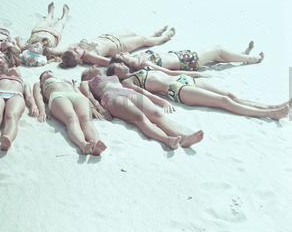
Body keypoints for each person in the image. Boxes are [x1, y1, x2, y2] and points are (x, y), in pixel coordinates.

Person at [106, 62, 290, 120]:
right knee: (224, 102)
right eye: (118, 65)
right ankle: (269, 114)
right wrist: (162, 102)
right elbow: (144, 94)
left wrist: (193, 74)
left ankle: (271, 106)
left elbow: (169, 72)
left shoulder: (141, 68)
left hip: (184, 79)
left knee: (229, 95)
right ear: (115, 73)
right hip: (177, 89)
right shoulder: (128, 81)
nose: (122, 64)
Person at [80, 68, 204, 150]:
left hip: (128, 92)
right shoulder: (86, 82)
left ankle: (183, 137)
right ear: (86, 75)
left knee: (156, 113)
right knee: (139, 117)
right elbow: (88, 95)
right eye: (90, 69)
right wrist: (98, 107)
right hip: (111, 96)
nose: (94, 67)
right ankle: (167, 140)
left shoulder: (111, 76)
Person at [32, 71, 107, 155]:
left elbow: (79, 92)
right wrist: (42, 111)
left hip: (77, 96)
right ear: (41, 80)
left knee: (86, 119)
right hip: (58, 95)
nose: (48, 72)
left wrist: (92, 108)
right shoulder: (38, 84)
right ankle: (83, 144)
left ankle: (97, 144)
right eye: (45, 73)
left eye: (50, 71)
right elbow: (38, 96)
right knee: (71, 118)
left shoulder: (66, 80)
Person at [47, 26, 176, 68]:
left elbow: (58, 51)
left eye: (73, 50)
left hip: (111, 36)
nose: (75, 49)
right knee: (143, 41)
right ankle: (164, 37)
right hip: (119, 45)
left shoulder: (72, 50)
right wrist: (126, 60)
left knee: (137, 35)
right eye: (76, 52)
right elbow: (108, 62)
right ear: (79, 60)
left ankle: (154, 35)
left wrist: (50, 52)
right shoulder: (89, 56)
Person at [111, 40, 263, 73]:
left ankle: (241, 56)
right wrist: (195, 75)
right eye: (122, 56)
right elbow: (167, 72)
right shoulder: (142, 64)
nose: (123, 53)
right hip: (187, 61)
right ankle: (253, 59)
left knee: (219, 57)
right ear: (124, 63)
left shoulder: (138, 57)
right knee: (218, 50)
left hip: (183, 56)